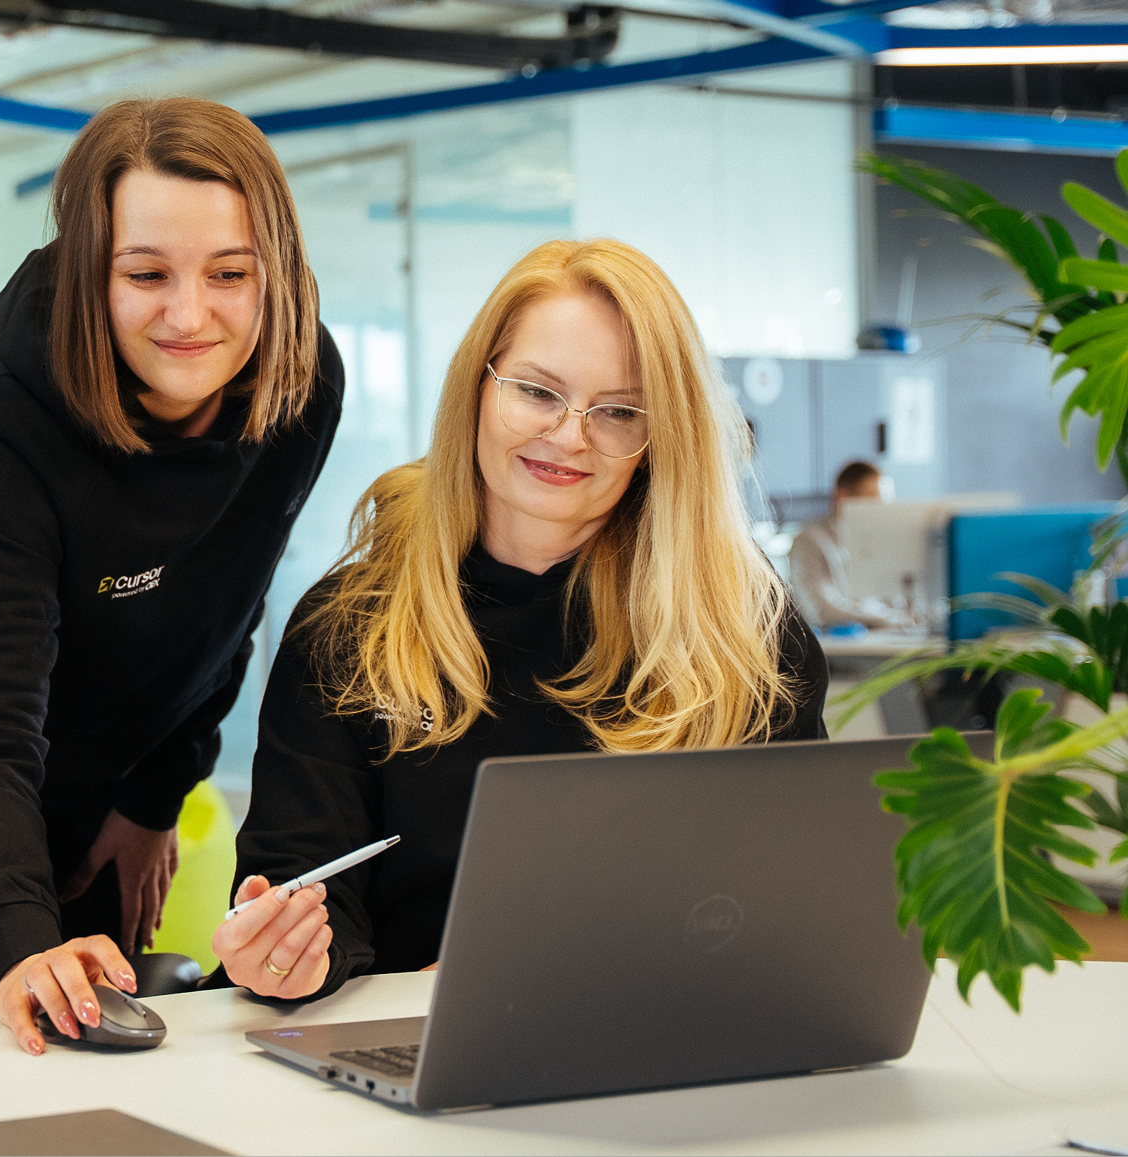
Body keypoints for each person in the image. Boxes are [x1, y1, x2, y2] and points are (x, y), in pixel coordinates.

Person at [0, 97, 343, 1052]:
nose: (190, 315)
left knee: (112, 1039)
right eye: (146, 274)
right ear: (89, 273)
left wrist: (153, 797)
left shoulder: (303, 386)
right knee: (11, 1038)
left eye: (230, 273)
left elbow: (227, 608)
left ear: (277, 268)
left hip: (110, 750)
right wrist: (24, 941)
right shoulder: (2, 425)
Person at [212, 238, 826, 1001]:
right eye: (537, 392)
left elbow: (797, 899)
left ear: (660, 436)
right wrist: (285, 956)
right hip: (405, 1046)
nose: (570, 435)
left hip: (674, 1030)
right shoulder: (350, 625)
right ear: (478, 385)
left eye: (619, 411)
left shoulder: (741, 629)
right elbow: (305, 885)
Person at [790, 460, 914, 631]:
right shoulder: (810, 541)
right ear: (843, 498)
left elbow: (901, 602)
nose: (881, 512)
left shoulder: (880, 541)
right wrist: (892, 619)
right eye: (873, 503)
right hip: (840, 644)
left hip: (886, 637)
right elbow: (822, 610)